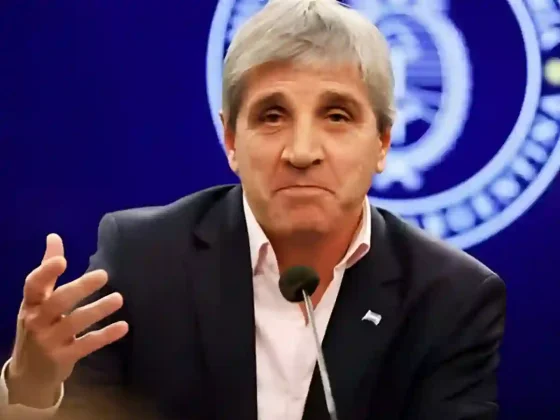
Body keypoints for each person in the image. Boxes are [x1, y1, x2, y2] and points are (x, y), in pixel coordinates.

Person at [0, 0, 507, 419]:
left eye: (336, 116)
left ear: (382, 142)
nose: (302, 151)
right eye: (272, 116)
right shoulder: (141, 259)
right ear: (231, 141)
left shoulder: (451, 298)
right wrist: (34, 388)